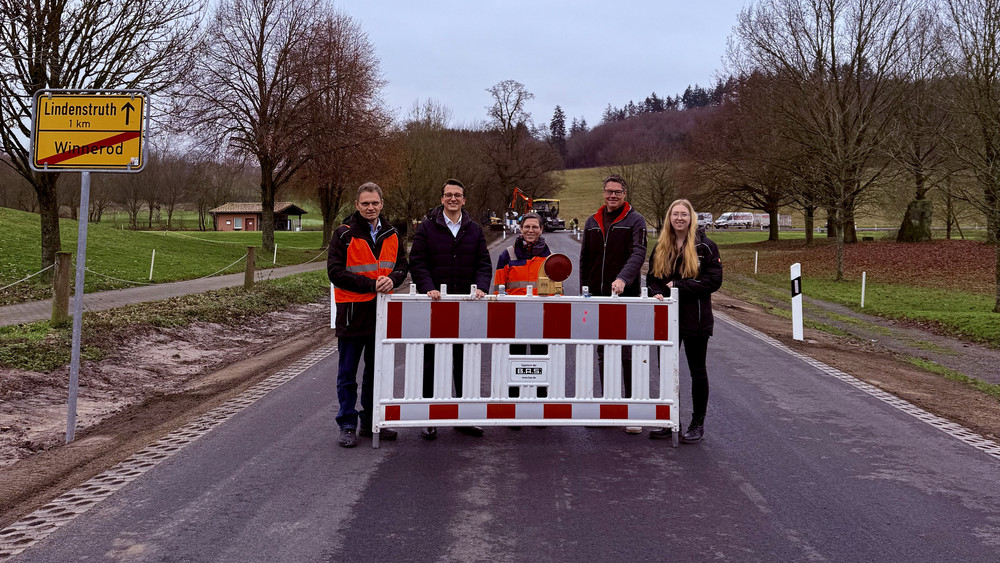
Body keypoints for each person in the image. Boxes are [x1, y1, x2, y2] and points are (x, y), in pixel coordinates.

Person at [409, 178, 493, 440]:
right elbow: (418, 262)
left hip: (467, 306)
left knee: (464, 361)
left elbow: (483, 263)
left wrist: (481, 287)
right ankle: (428, 417)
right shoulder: (426, 228)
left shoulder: (475, 230)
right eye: (448, 195)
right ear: (442, 199)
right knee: (432, 360)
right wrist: (428, 287)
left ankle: (464, 417)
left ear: (464, 200)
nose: (453, 199)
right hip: (435, 305)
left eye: (457, 195)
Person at [327, 182, 409, 448]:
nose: (370, 207)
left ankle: (371, 421)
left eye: (375, 203)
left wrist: (393, 280)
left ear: (381, 204)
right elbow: (335, 272)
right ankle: (347, 424)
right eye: (365, 203)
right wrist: (370, 284)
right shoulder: (344, 234)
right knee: (348, 374)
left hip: (382, 314)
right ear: (357, 205)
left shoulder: (393, 233)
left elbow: (402, 266)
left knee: (376, 374)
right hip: (352, 314)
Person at [645, 199, 723, 443]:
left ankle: (697, 423)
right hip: (667, 319)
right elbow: (652, 278)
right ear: (669, 218)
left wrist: (680, 286)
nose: (679, 218)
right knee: (666, 370)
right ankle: (670, 421)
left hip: (696, 318)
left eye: (684, 214)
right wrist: (655, 291)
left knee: (697, 371)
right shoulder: (661, 246)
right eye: (675, 214)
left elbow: (714, 280)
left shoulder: (706, 247)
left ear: (691, 218)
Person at [579, 174, 647, 433]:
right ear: (603, 193)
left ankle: (631, 412)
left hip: (625, 298)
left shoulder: (635, 220)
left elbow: (638, 254)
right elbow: (585, 259)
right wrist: (584, 290)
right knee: (602, 352)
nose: (613, 196)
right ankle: (608, 407)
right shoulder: (592, 222)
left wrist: (623, 279)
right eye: (609, 191)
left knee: (627, 352)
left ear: (625, 194)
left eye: (618, 192)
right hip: (596, 297)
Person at [493, 212, 550, 403]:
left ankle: (540, 404)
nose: (530, 230)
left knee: (541, 361)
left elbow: (557, 291)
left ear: (541, 230)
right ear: (521, 229)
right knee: (514, 360)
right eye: (527, 227)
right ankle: (513, 404)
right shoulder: (507, 255)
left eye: (535, 227)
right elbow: (498, 289)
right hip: (513, 317)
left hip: (541, 318)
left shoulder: (550, 257)